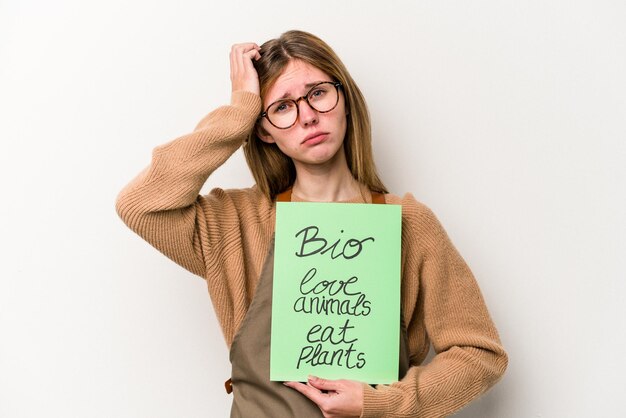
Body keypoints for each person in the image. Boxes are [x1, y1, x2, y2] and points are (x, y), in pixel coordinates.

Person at [116, 30, 508, 418]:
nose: (308, 117)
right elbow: (140, 204)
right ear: (264, 130)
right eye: (282, 107)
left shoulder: (408, 222)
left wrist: (381, 404)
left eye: (318, 93)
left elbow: (480, 355)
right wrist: (238, 111)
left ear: (345, 100)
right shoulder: (234, 223)